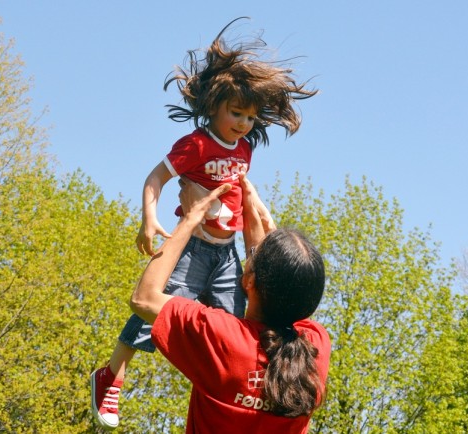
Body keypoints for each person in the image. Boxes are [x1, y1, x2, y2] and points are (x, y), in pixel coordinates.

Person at [91, 17, 318, 429]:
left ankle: (214, 388)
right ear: (213, 106)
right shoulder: (194, 144)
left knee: (238, 324)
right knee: (153, 309)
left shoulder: (245, 149)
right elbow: (155, 178)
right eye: (236, 113)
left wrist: (257, 222)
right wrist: (149, 220)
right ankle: (112, 374)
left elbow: (240, 192)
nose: (244, 124)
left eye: (251, 117)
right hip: (193, 245)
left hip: (227, 250)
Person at [129, 175, 331, 433]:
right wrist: (258, 216)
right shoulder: (315, 347)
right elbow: (285, 283)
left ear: (248, 280)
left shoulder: (225, 339)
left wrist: (190, 218)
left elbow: (144, 298)